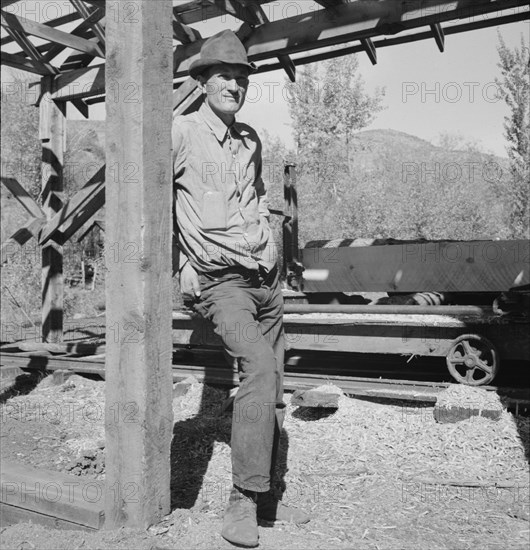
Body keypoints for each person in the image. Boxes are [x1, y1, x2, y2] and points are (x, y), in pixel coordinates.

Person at [172, 30, 309, 547]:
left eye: (243, 76)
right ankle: (242, 502)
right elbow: (143, 196)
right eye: (224, 75)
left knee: (273, 385)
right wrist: (180, 260)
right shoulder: (180, 133)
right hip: (219, 281)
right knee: (258, 366)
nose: (235, 84)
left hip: (262, 280)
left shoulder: (251, 139)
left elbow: (255, 196)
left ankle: (269, 497)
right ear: (203, 81)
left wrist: (272, 255)